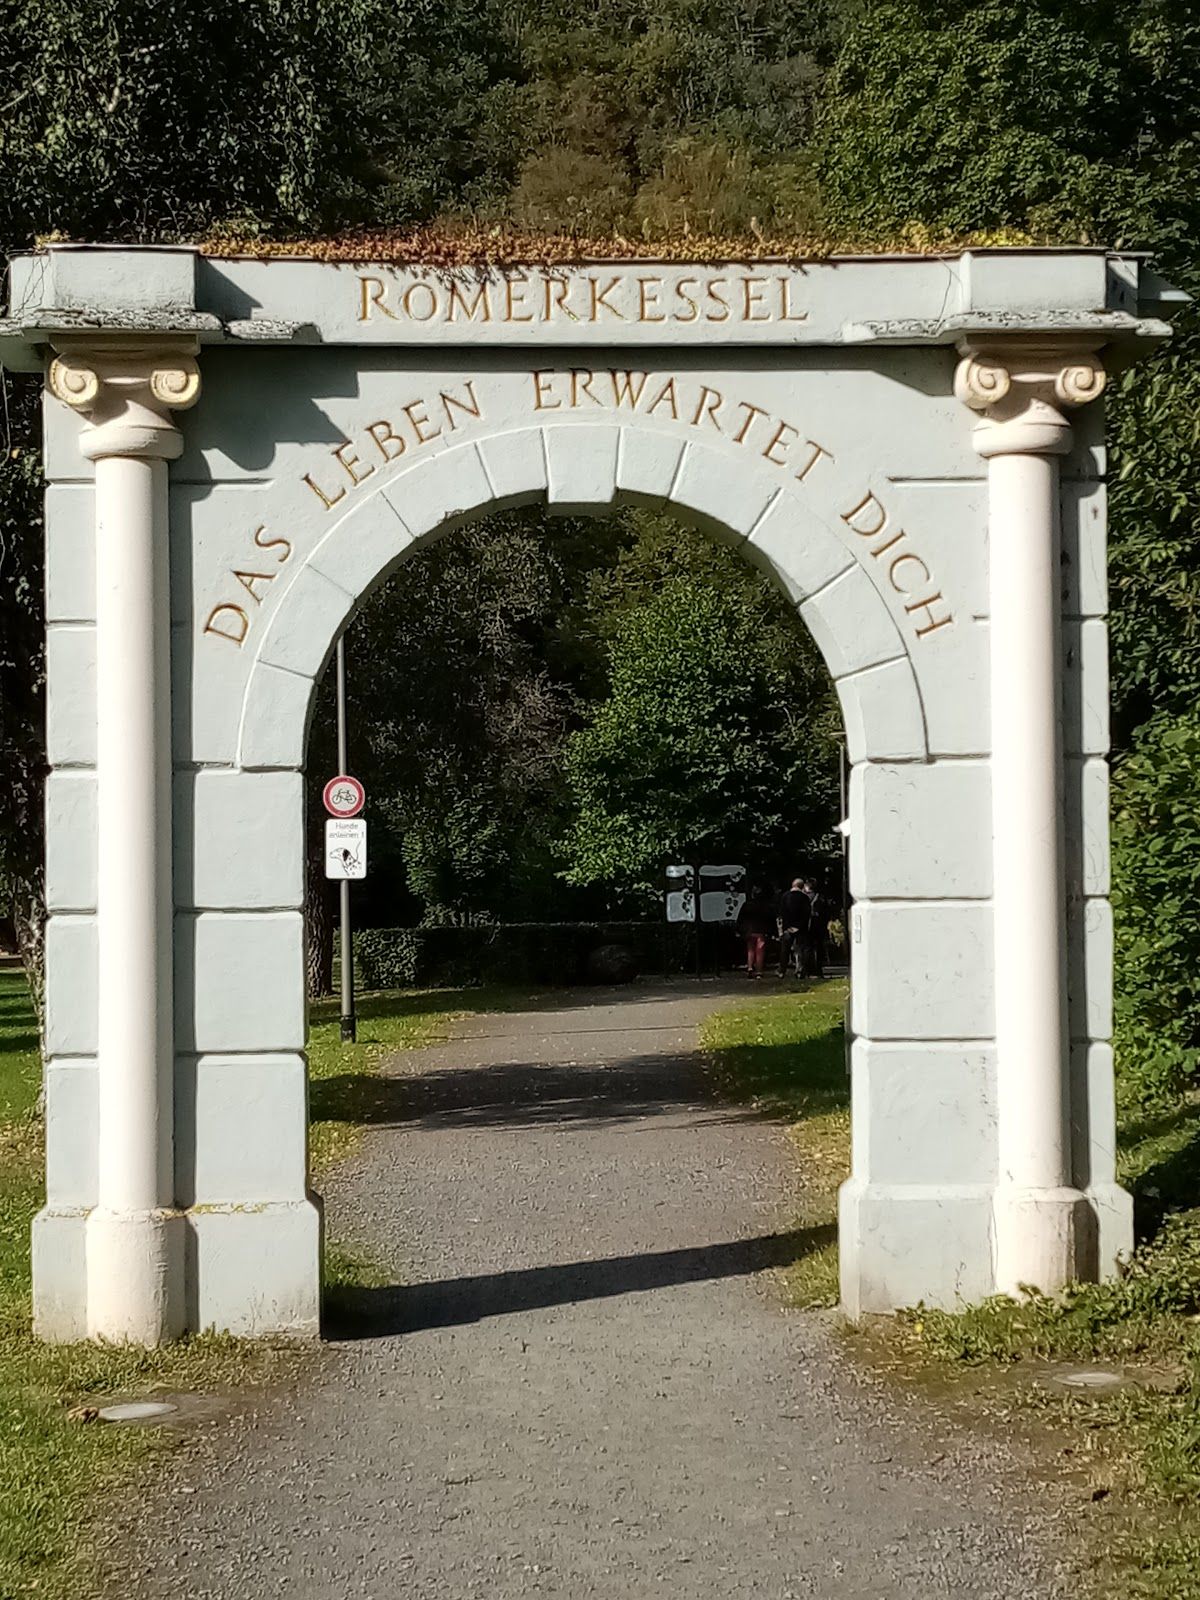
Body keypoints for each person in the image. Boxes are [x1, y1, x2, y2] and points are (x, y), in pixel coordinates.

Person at [736, 886, 775, 978]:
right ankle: (759, 971)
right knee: (760, 951)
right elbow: (770, 919)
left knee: (750, 950)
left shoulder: (747, 904)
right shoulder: (765, 905)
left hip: (750, 931)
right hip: (761, 930)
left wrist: (740, 930)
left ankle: (750, 967)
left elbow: (741, 918)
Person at [777, 878, 811, 978]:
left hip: (787, 928)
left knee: (785, 950)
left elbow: (781, 913)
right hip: (801, 928)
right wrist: (800, 926)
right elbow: (806, 914)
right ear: (802, 886)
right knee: (800, 949)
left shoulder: (785, 896)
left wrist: (784, 927)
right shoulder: (804, 898)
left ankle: (782, 970)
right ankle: (799, 970)